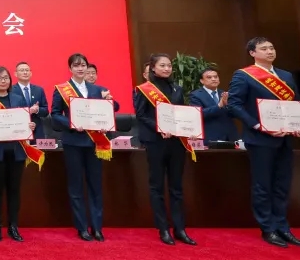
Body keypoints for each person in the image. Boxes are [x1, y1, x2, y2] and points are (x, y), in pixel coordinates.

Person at [227, 37, 300, 248]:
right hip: (260, 138)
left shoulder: (286, 76)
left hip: (285, 137)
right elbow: (234, 105)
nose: (270, 51)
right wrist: (257, 125)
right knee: (262, 185)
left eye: (272, 47)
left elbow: (296, 104)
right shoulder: (243, 75)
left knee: (282, 184)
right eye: (264, 48)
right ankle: (268, 228)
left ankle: (283, 227)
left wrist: (298, 124)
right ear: (252, 53)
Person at [51, 53, 119, 242]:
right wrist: (72, 123)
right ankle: (82, 227)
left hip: (94, 143)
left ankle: (97, 227)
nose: (80, 68)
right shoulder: (61, 89)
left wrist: (109, 100)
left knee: (95, 185)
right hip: (73, 142)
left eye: (83, 65)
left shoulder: (98, 89)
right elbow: (55, 114)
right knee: (76, 186)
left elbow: (114, 107)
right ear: (70, 69)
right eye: (76, 65)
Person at [134, 53, 196, 246]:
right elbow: (141, 115)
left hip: (176, 142)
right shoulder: (144, 89)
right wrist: (159, 128)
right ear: (153, 67)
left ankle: (180, 229)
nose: (167, 68)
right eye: (162, 65)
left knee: (176, 187)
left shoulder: (177, 88)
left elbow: (182, 113)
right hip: (156, 142)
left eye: (169, 65)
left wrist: (189, 128)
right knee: (157, 186)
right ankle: (163, 229)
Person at [0, 66, 41, 242]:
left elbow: (25, 121)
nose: (3, 81)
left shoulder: (18, 99)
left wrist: (31, 125)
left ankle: (13, 226)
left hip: (16, 152)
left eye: (6, 78)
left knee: (14, 190)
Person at [188, 68, 238, 143]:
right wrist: (219, 106)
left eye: (215, 77)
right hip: (210, 137)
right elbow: (198, 115)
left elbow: (234, 114)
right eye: (209, 77)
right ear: (202, 81)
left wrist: (228, 105)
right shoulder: (196, 95)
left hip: (230, 137)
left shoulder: (224, 94)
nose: (213, 79)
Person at [12, 61, 50, 140]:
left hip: (37, 132)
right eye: (22, 70)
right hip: (18, 132)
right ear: (15, 74)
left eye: (27, 70)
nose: (25, 72)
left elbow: (46, 111)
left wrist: (37, 110)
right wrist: (27, 111)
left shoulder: (39, 90)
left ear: (31, 73)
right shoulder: (11, 91)